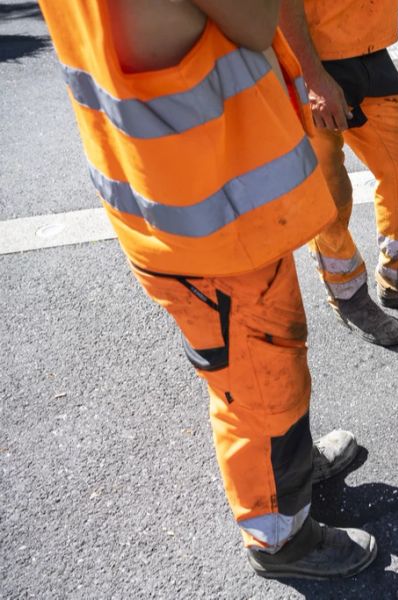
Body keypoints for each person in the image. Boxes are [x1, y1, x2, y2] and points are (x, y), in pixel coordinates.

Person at [37, 0, 377, 580]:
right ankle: (279, 534)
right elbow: (254, 21)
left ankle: (287, 471)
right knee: (260, 385)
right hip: (218, 227)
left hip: (178, 207)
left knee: (254, 375)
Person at [278, 0, 398, 347]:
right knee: (327, 191)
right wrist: (315, 79)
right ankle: (347, 293)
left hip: (366, 48)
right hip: (308, 60)